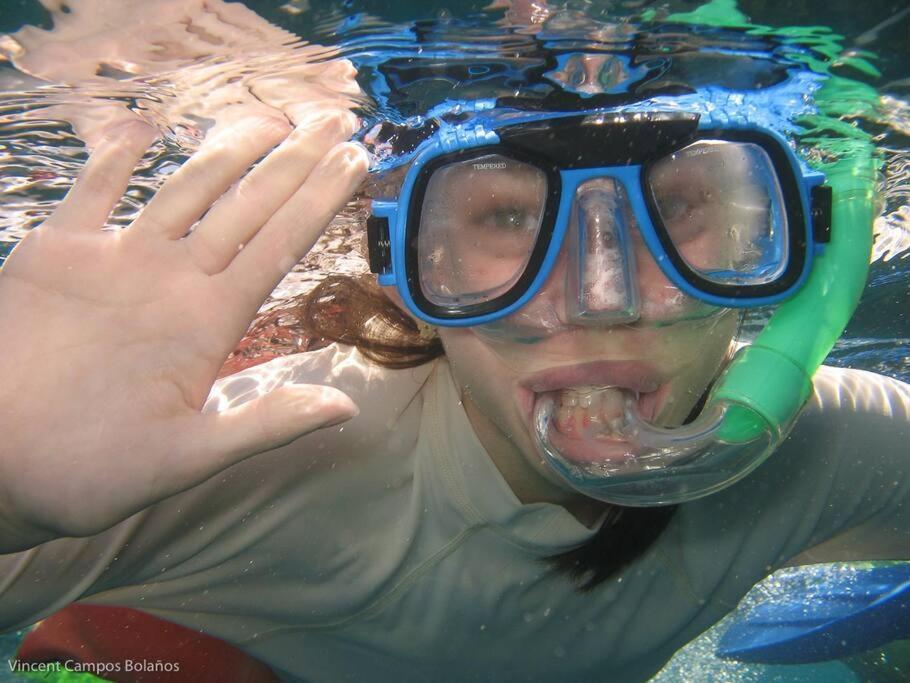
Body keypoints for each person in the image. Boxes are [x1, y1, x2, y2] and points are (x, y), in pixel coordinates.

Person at [2, 11, 910, 683]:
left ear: (790, 243)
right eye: (508, 216)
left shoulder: (825, 448)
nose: (604, 299)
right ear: (408, 269)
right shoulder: (276, 448)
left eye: (678, 208)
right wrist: (9, 498)